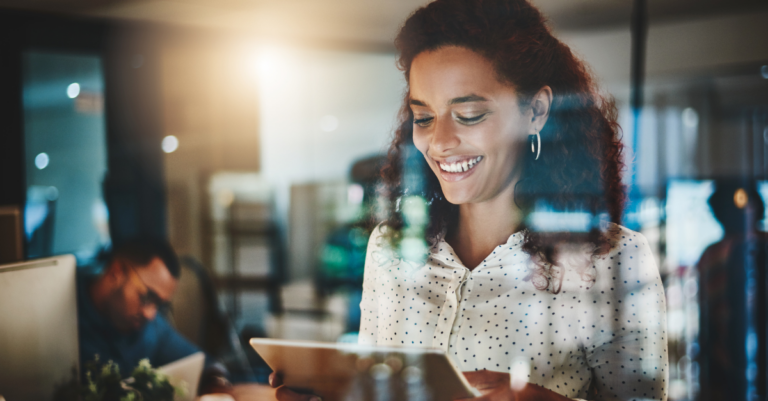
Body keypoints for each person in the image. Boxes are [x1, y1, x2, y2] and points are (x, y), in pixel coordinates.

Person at [271, 0, 668, 399]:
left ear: (537, 110)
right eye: (423, 118)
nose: (440, 142)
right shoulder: (390, 250)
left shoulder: (614, 261)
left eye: (471, 114)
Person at [78, 239, 228, 392]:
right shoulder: (69, 325)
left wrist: (217, 384)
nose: (150, 314)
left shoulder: (151, 327)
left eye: (159, 304)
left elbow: (207, 365)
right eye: (147, 297)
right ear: (116, 272)